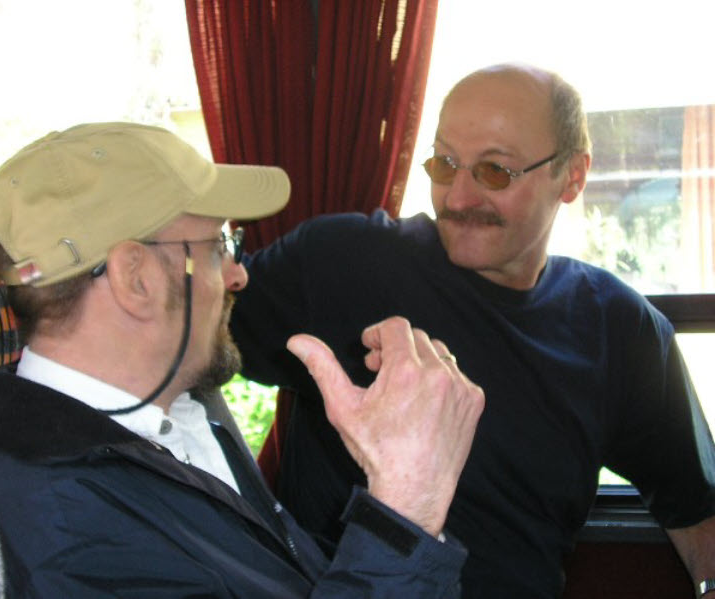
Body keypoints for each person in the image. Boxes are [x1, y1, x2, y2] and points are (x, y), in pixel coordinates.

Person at [230, 63, 715, 598]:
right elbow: (187, 333)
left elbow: (698, 511)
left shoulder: (622, 329)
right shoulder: (343, 263)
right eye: (444, 164)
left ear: (572, 176)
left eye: (494, 172)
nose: (457, 199)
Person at [0, 122, 484, 598]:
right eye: (218, 246)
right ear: (136, 279)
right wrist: (405, 507)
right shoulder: (68, 528)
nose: (239, 275)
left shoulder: (175, 413)